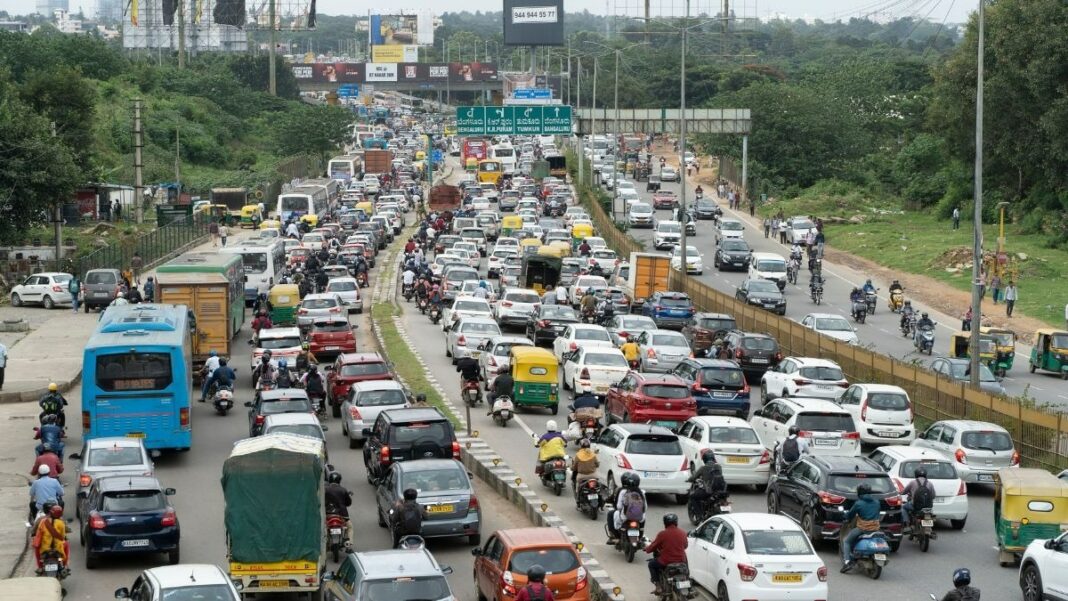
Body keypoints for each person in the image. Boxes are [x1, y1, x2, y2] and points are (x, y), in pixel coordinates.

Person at [840, 482, 882, 573]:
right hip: (876, 528)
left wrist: (845, 517)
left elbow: (850, 515)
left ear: (859, 492)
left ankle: (847, 562)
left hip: (863, 529)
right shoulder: (877, 502)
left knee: (846, 541)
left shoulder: (858, 503)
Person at [645, 513, 689, 595]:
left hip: (666, 561)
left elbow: (653, 546)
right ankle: (688, 580)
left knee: (651, 564)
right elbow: (685, 546)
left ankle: (658, 586)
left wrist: (647, 549)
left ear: (665, 523)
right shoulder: (683, 533)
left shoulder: (662, 534)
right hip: (681, 560)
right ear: (676, 522)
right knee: (686, 563)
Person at [607, 472, 646, 544]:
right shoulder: (641, 492)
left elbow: (619, 507)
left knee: (611, 514)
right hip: (639, 518)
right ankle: (640, 536)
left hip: (625, 517)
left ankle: (614, 536)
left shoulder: (623, 491)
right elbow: (645, 508)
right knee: (643, 518)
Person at [32, 504, 67, 573]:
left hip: (45, 549)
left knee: (36, 548)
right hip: (58, 550)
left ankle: (40, 567)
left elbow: (38, 533)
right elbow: (62, 536)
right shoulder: (61, 523)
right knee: (66, 545)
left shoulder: (42, 521)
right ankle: (65, 566)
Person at [902, 466, 936, 533]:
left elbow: (904, 492)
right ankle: (929, 529)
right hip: (927, 507)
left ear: (916, 474)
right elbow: (933, 496)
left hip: (915, 506)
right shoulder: (930, 483)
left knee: (903, 508)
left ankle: (907, 525)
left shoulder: (912, 482)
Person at [324, 470, 354, 545]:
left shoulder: (324, 489)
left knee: (323, 528)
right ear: (339, 480)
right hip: (341, 514)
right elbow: (348, 503)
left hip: (327, 514)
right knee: (349, 527)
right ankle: (349, 544)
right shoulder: (343, 490)